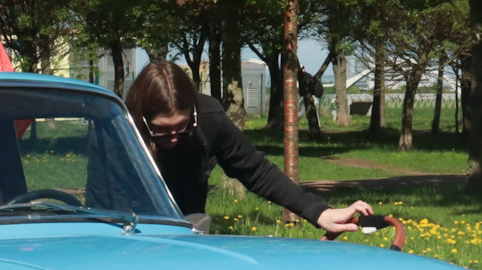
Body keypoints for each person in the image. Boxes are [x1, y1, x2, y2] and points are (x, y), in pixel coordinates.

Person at [124, 61, 373, 235]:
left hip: (189, 236)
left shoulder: (210, 118)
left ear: (194, 112)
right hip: (130, 236)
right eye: (162, 131)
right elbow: (103, 202)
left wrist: (319, 212)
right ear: (142, 120)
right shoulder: (121, 130)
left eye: (183, 127)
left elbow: (256, 170)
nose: (175, 137)